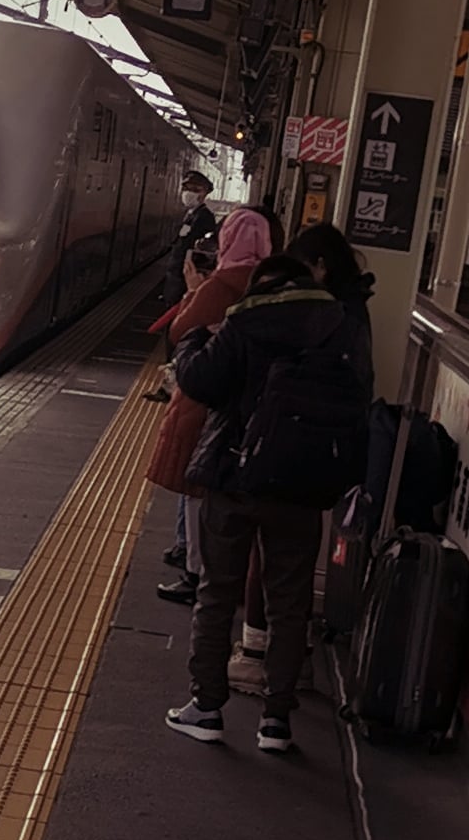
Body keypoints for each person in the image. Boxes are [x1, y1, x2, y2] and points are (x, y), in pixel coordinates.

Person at [166, 228, 374, 752]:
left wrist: (194, 339)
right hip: (303, 485)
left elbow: (201, 382)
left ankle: (207, 707)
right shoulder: (339, 324)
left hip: (236, 477)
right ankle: (276, 722)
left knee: (217, 592)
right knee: (290, 602)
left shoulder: (247, 318)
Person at [149, 206, 276, 600]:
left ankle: (195, 572)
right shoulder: (270, 282)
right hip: (246, 403)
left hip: (207, 395)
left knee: (195, 487)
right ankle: (203, 564)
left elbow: (180, 331)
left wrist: (191, 289)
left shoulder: (221, 283)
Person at [159, 172, 220, 310]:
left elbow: (203, 252)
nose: (188, 193)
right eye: (186, 188)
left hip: (184, 279)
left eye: (195, 190)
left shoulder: (204, 217)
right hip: (177, 276)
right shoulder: (192, 214)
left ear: (205, 193)